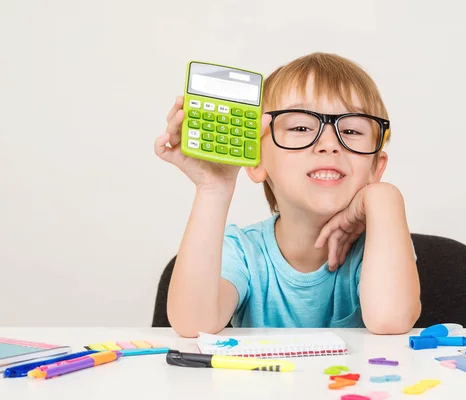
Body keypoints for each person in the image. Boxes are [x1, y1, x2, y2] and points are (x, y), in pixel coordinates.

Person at [154, 52, 421, 337]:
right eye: (301, 127)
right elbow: (194, 325)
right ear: (256, 162)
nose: (329, 143)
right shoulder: (243, 252)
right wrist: (213, 189)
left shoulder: (383, 244)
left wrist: (385, 197)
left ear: (375, 167)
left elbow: (390, 320)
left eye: (351, 130)